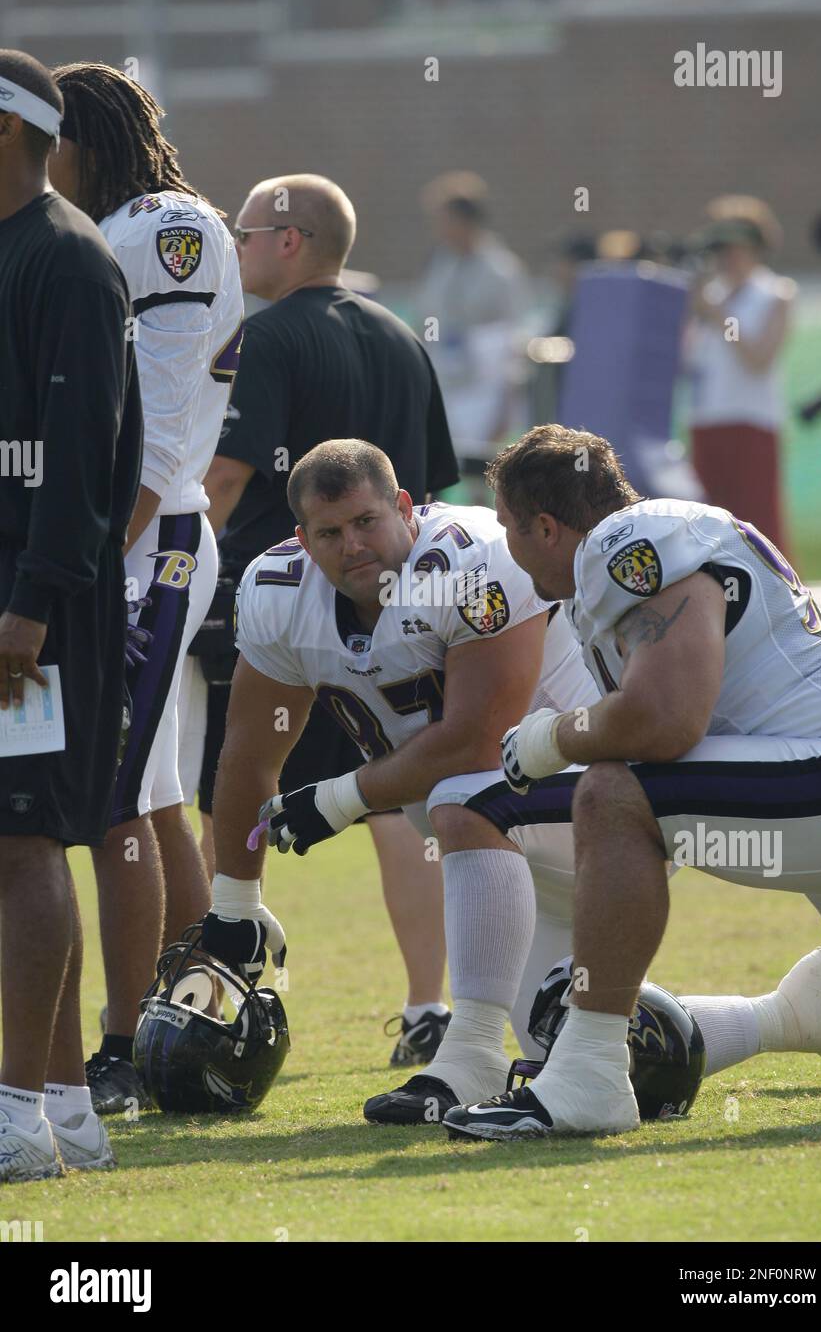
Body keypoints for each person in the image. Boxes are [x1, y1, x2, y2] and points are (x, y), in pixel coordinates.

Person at [439, 423, 821, 1139]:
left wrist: (553, 738)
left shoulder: (626, 541)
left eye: (511, 527)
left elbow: (666, 723)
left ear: (547, 526)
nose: (508, 546)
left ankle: (589, 1073)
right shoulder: (642, 546)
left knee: (614, 791)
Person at [200, 440, 599, 1068]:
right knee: (572, 1052)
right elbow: (249, 755)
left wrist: (334, 800)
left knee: (464, 795)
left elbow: (477, 742)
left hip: (591, 803)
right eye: (329, 532)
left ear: (405, 508)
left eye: (366, 521)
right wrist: (234, 904)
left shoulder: (472, 560)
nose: (352, 545)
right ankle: (792, 1014)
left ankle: (465, 1058)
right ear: (302, 542)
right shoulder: (278, 594)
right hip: (503, 855)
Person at [195, 174, 461, 1066]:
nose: (234, 247)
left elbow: (226, 480)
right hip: (403, 614)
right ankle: (430, 1006)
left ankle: (216, 1001)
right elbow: (437, 493)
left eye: (242, 231)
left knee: (231, 790)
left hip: (280, 612)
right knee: (398, 802)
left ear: (289, 240)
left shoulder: (264, 336)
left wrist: (162, 574)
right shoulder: (399, 334)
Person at [47, 61, 243, 1114]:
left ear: (83, 138)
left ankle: (121, 1046)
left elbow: (158, 439)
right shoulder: (102, 229)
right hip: (119, 541)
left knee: (117, 796)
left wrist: (74, 570)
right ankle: (202, 1012)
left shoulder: (167, 229)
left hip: (146, 542)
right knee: (159, 796)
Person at [0, 51, 142, 1177]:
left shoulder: (67, 259)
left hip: (33, 613)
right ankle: (64, 1108)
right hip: (12, 602)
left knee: (26, 837)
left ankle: (13, 1115)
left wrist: (30, 609)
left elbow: (81, 466)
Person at [684, 195, 796, 554]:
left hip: (752, 423)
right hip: (706, 422)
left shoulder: (775, 293)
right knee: (709, 528)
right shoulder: (708, 295)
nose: (724, 257)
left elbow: (759, 358)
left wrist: (717, 313)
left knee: (760, 527)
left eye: (732, 247)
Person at [415, 171, 528, 487]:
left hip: (483, 389)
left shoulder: (501, 271)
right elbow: (425, 319)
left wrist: (505, 403)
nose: (440, 229)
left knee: (483, 474)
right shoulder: (439, 265)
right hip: (445, 380)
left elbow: (511, 341)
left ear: (466, 221)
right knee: (436, 469)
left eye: (445, 219)